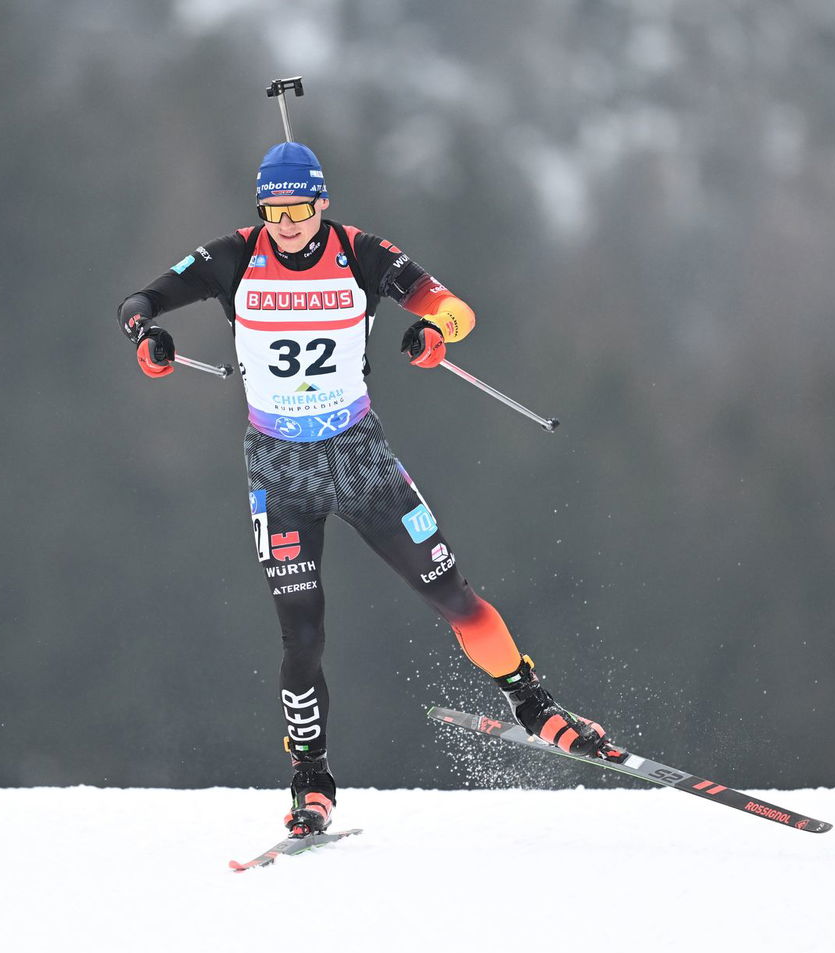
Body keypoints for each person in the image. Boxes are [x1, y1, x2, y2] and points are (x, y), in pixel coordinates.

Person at [117, 141, 618, 836]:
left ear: (321, 202)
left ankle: (533, 704)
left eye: (299, 210)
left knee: (453, 596)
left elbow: (456, 310)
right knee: (302, 634)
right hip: (279, 468)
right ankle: (311, 779)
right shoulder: (234, 256)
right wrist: (146, 335)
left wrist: (433, 330)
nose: (286, 225)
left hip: (359, 457)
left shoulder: (360, 253)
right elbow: (140, 301)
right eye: (273, 212)